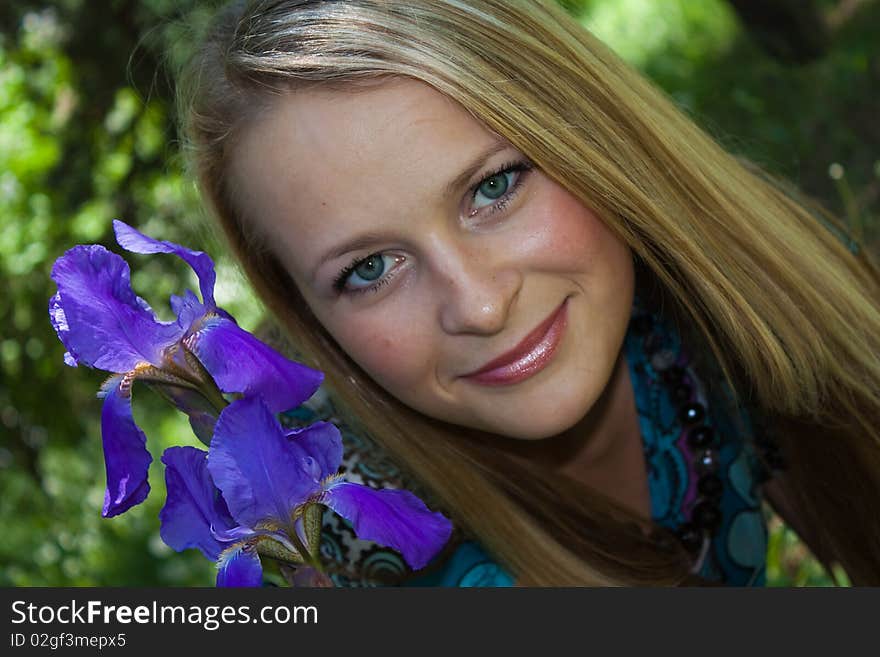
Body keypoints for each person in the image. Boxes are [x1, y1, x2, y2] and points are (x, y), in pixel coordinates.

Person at [172, 0, 880, 586]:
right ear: (313, 324)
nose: (480, 306)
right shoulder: (352, 560)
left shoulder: (746, 295)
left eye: (494, 187)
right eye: (368, 269)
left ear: (594, 132)